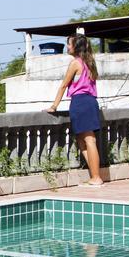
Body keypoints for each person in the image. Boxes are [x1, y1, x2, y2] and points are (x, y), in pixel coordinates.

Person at [47, 34, 103, 187]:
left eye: (69, 44)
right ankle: (94, 175)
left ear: (76, 47)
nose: (67, 47)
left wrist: (54, 106)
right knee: (82, 140)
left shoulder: (75, 63)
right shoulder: (90, 62)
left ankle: (96, 177)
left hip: (80, 102)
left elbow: (64, 85)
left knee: (88, 140)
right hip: (91, 102)